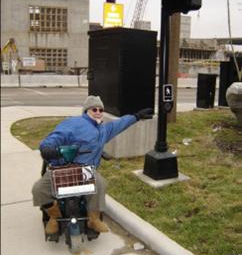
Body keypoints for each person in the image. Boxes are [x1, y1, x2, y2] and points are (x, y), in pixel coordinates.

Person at [32, 95, 153, 235]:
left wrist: (136, 116)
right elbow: (56, 136)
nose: (98, 112)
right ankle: (54, 216)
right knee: (39, 189)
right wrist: (48, 148)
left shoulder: (103, 130)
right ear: (86, 111)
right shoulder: (73, 123)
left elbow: (119, 124)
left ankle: (93, 218)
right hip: (62, 168)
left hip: (85, 170)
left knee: (100, 183)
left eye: (100, 109)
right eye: (94, 109)